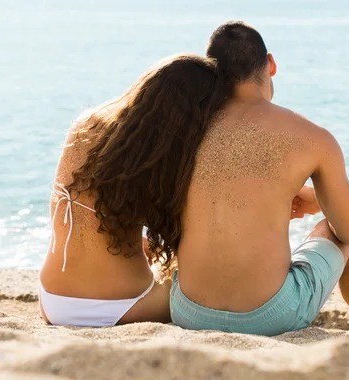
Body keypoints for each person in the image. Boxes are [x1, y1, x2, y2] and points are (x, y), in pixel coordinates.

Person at [170, 21, 349, 336]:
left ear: (212, 73)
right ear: (271, 64)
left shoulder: (186, 131)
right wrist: (319, 201)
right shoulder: (311, 136)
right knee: (338, 231)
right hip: (266, 318)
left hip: (188, 312)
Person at [39, 54, 227, 327]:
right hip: (126, 305)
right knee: (209, 281)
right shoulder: (164, 159)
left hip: (52, 301)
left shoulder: (86, 125)